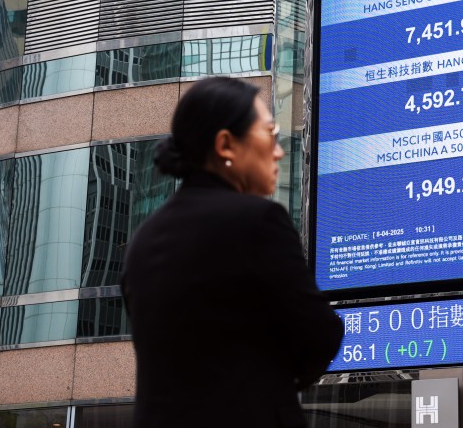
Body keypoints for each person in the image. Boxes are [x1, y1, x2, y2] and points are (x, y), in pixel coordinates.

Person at [122, 76, 343, 427]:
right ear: (226, 145)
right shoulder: (258, 221)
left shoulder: (143, 241)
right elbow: (320, 333)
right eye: (269, 134)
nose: (278, 150)